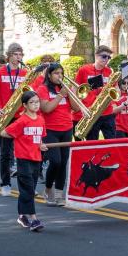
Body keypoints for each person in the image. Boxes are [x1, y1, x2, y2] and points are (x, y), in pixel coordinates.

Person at [36, 63, 85, 206]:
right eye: (56, 73)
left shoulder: (65, 88)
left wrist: (71, 93)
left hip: (67, 128)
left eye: (61, 73)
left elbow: (76, 109)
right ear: (49, 75)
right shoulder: (42, 89)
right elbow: (46, 109)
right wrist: (60, 95)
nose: (60, 76)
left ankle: (58, 194)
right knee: (55, 161)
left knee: (63, 163)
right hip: (50, 130)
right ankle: (48, 188)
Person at [0, 45, 28, 196]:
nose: (18, 57)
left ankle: (26, 185)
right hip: (5, 117)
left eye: (20, 54)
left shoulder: (25, 73)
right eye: (15, 54)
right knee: (5, 152)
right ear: (9, 56)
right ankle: (5, 183)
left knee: (23, 152)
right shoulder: (0, 72)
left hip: (21, 117)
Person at [2, 91, 47, 231]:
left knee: (29, 189)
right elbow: (4, 132)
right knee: (28, 189)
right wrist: (18, 140)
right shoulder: (22, 120)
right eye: (32, 102)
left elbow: (40, 137)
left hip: (36, 158)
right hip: (23, 158)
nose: (35, 104)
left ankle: (22, 216)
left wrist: (41, 145)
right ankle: (34, 219)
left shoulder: (40, 119)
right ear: (25, 105)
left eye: (37, 102)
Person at [74, 45, 117, 140]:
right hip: (91, 112)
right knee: (93, 142)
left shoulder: (110, 72)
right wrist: (82, 108)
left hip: (107, 112)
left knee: (112, 142)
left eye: (109, 57)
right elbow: (75, 90)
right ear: (96, 56)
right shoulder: (84, 70)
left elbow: (116, 90)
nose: (107, 59)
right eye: (104, 56)